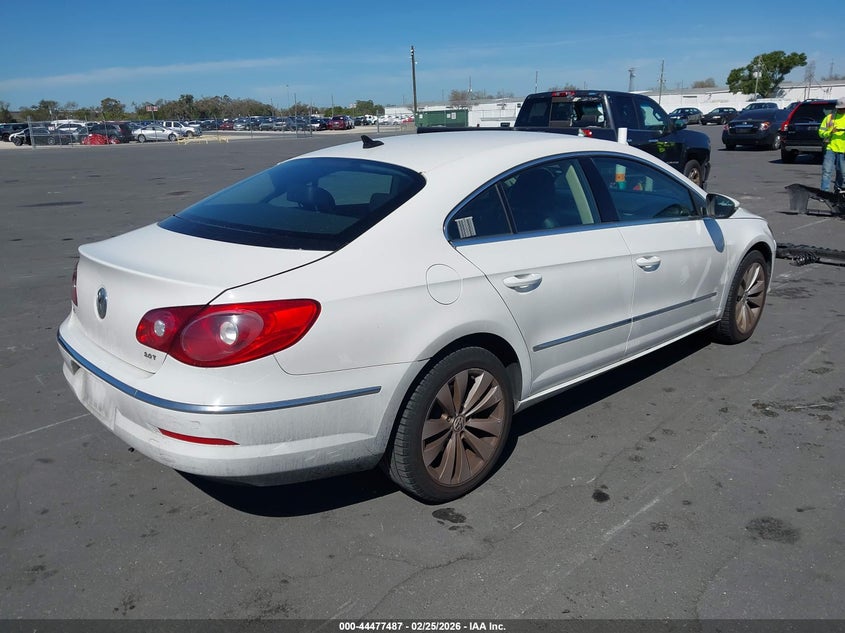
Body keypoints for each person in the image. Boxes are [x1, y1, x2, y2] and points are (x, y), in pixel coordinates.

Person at [818, 97, 845, 193]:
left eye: (843, 108)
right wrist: (830, 131)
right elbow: (821, 132)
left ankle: (838, 190)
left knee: (842, 173)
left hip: (843, 149)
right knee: (827, 171)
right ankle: (824, 192)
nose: (841, 110)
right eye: (840, 108)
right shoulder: (829, 118)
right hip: (830, 148)